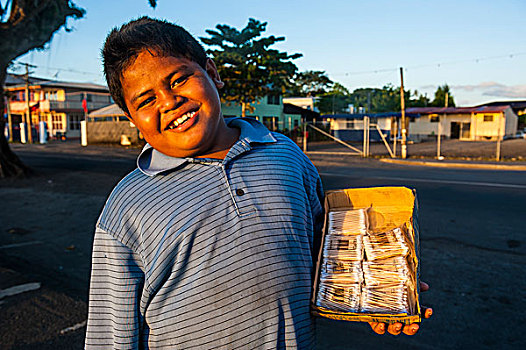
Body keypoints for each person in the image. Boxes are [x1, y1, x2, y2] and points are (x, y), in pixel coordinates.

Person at [85, 16, 430, 349]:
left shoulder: (286, 156)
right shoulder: (127, 206)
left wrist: (379, 294)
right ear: (132, 119)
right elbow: (109, 334)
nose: (170, 101)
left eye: (178, 80)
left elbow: (325, 254)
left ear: (212, 73)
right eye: (146, 100)